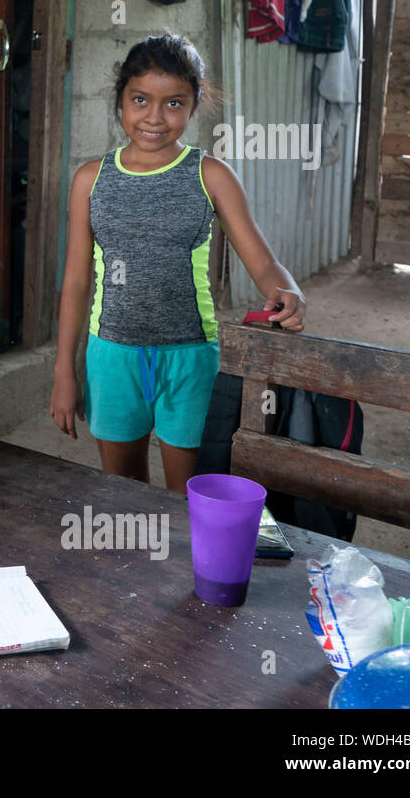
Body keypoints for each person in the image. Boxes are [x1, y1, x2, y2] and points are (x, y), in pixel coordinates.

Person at [48, 32, 306, 493]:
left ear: (193, 105)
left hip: (190, 357)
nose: (154, 117)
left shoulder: (211, 175)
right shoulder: (90, 180)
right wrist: (65, 372)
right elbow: (75, 281)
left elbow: (263, 263)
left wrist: (287, 289)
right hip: (111, 357)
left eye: (173, 103)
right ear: (121, 100)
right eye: (141, 99)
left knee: (188, 499)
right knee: (124, 494)